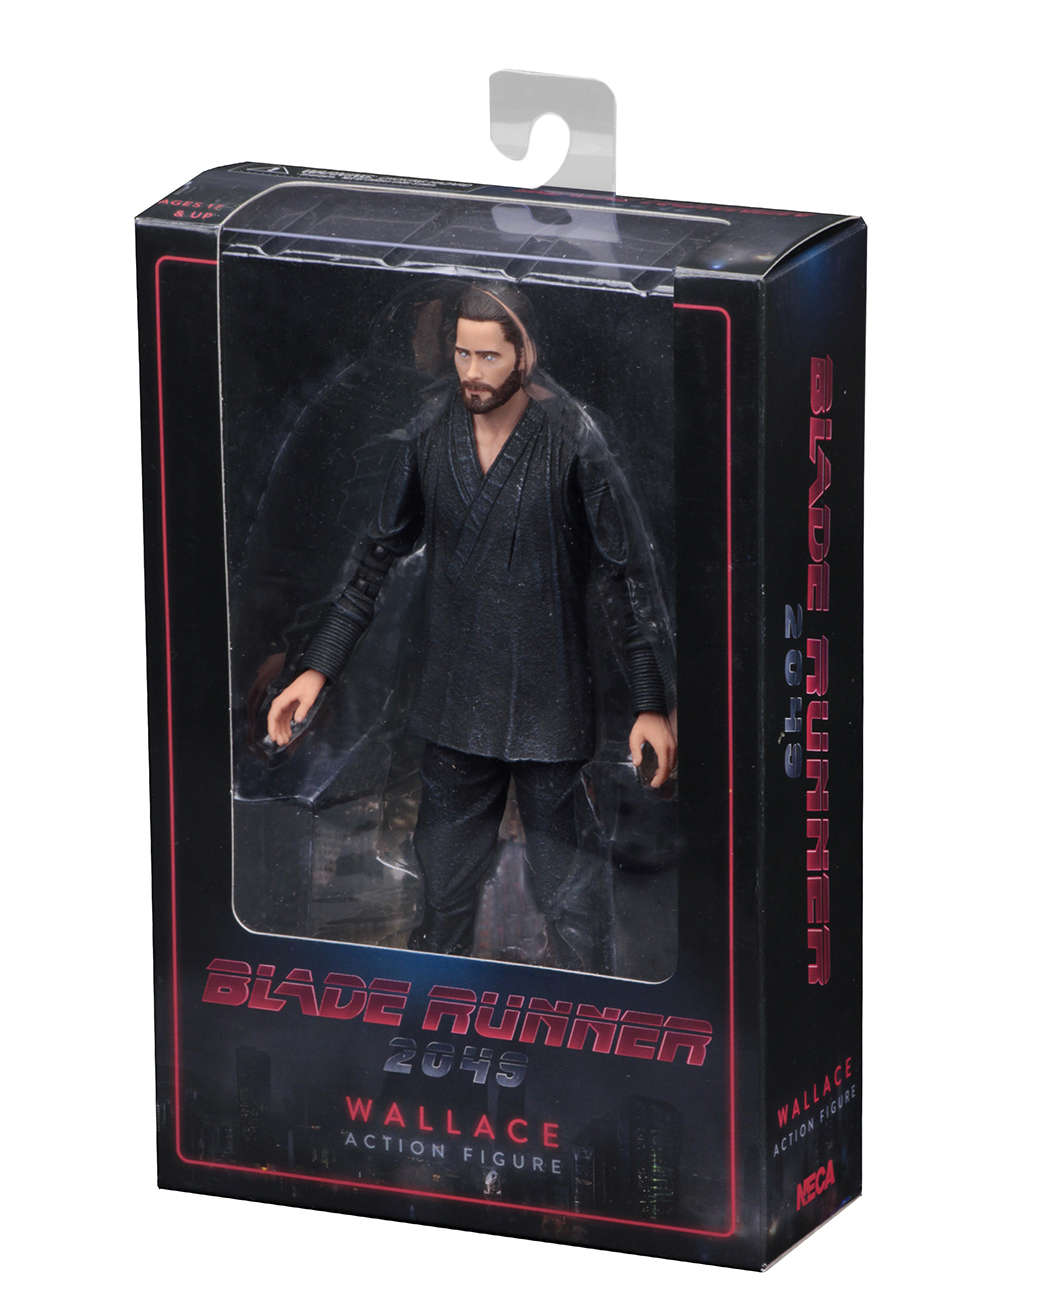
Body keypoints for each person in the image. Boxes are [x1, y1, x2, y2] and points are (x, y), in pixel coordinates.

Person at [267, 283, 676, 965]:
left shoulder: (571, 441)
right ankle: (438, 1008)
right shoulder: (430, 436)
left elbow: (622, 579)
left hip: (549, 709)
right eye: (462, 354)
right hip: (456, 705)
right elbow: (373, 564)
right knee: (442, 896)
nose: (472, 372)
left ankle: (586, 1012)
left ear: (526, 354)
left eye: (489, 356)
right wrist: (317, 669)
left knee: (573, 902)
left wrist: (650, 703)